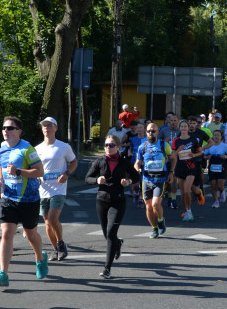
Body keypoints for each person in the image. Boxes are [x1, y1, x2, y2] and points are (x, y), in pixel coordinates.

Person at [0, 116, 48, 287]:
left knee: (31, 234)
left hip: (29, 199)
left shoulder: (27, 149)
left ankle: (40, 258)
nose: (6, 131)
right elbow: (0, 165)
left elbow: (39, 172)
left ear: (19, 131)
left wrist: (18, 172)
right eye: (4, 128)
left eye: (10, 128)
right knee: (7, 233)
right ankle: (3, 274)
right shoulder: (1, 150)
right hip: (9, 198)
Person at [85, 135, 141, 279]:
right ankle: (117, 243)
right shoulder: (99, 161)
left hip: (118, 201)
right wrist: (97, 180)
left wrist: (128, 181)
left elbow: (136, 177)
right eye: (106, 145)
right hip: (102, 200)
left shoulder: (124, 162)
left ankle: (107, 269)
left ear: (118, 147)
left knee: (110, 233)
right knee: (107, 234)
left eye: (111, 145)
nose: (108, 148)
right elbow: (87, 178)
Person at [35, 117, 78, 261]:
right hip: (43, 189)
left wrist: (66, 174)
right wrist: (35, 177)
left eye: (49, 126)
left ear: (56, 128)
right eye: (44, 126)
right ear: (42, 129)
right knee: (47, 222)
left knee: (53, 218)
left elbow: (73, 162)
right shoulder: (37, 149)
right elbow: (34, 167)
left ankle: (60, 243)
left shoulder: (63, 146)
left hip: (58, 189)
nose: (46, 128)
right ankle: (55, 249)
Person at [134, 121, 172, 238]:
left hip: (160, 180)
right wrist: (137, 168)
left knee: (155, 204)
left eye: (153, 131)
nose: (151, 133)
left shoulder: (163, 145)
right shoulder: (143, 146)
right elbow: (137, 162)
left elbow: (172, 158)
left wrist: (171, 172)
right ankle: (154, 228)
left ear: (157, 132)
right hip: (146, 180)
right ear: (146, 132)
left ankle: (161, 220)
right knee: (148, 206)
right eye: (149, 131)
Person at [170, 120, 205, 222]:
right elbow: (172, 156)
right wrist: (178, 150)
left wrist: (194, 155)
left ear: (188, 128)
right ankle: (186, 211)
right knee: (182, 193)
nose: (184, 128)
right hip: (180, 168)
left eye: (186, 126)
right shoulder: (176, 141)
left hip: (191, 167)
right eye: (182, 126)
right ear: (180, 128)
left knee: (186, 191)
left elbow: (200, 153)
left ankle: (189, 211)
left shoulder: (193, 140)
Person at [203, 129, 227, 208]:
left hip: (221, 166)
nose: (216, 137)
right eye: (215, 135)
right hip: (212, 166)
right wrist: (207, 157)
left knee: (220, 186)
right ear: (213, 137)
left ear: (221, 137)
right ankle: (216, 201)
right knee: (212, 185)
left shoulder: (224, 146)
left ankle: (222, 192)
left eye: (218, 135)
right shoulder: (210, 146)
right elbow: (204, 156)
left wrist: (225, 156)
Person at [159, 112, 182, 209]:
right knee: (168, 180)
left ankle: (173, 199)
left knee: (175, 180)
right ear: (169, 121)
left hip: (178, 158)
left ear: (178, 121)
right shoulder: (164, 131)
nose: (173, 122)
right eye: (171, 120)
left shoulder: (181, 131)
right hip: (167, 159)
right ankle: (169, 197)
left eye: (175, 120)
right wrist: (164, 142)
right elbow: (157, 143)